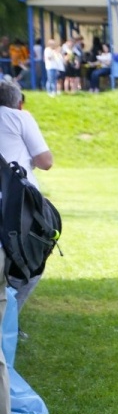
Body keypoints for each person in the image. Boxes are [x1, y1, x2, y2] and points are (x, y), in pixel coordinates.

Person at [0, 79, 54, 312]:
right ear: (18, 103)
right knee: (31, 261)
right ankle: (10, 318)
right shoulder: (20, 118)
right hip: (19, 203)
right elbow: (46, 161)